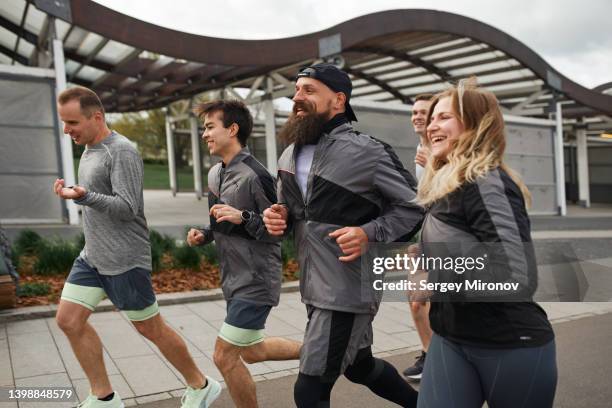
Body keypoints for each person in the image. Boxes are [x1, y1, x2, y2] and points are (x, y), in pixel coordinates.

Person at [263, 63, 424, 408]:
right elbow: (290, 213)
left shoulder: (369, 151)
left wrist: (369, 233)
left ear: (337, 100)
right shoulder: (290, 152)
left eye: (309, 90)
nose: (297, 97)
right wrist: (278, 218)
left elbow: (413, 207)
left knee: (309, 389)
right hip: (314, 286)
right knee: (360, 366)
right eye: (296, 90)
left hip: (348, 289)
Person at [53, 86, 221, 408]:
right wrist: (76, 192)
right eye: (64, 122)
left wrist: (84, 196)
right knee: (68, 320)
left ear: (96, 116)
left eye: (72, 122)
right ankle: (104, 397)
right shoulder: (89, 149)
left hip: (124, 260)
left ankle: (200, 385)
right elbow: (97, 197)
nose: (66, 130)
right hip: (93, 257)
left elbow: (128, 207)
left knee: (151, 329)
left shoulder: (122, 151)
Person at [415, 78, 557, 407]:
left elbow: (517, 275)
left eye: (444, 117)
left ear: (475, 125)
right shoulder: (447, 184)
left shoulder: (487, 182)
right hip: (451, 338)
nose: (431, 124)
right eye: (431, 117)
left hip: (510, 344)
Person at [186, 100, 301, 408]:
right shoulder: (214, 175)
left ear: (232, 129)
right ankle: (319, 352)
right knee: (252, 351)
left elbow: (279, 230)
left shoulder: (257, 175)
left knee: (224, 356)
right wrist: (205, 234)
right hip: (232, 278)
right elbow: (219, 222)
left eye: (210, 127)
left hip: (257, 278)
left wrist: (245, 217)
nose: (205, 134)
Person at [403, 94, 434, 380]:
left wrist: (434, 163)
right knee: (416, 300)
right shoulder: (420, 147)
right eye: (414, 112)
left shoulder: (443, 147)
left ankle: (439, 359)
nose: (417, 116)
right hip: (425, 233)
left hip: (446, 237)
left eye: (423, 111)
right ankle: (430, 355)